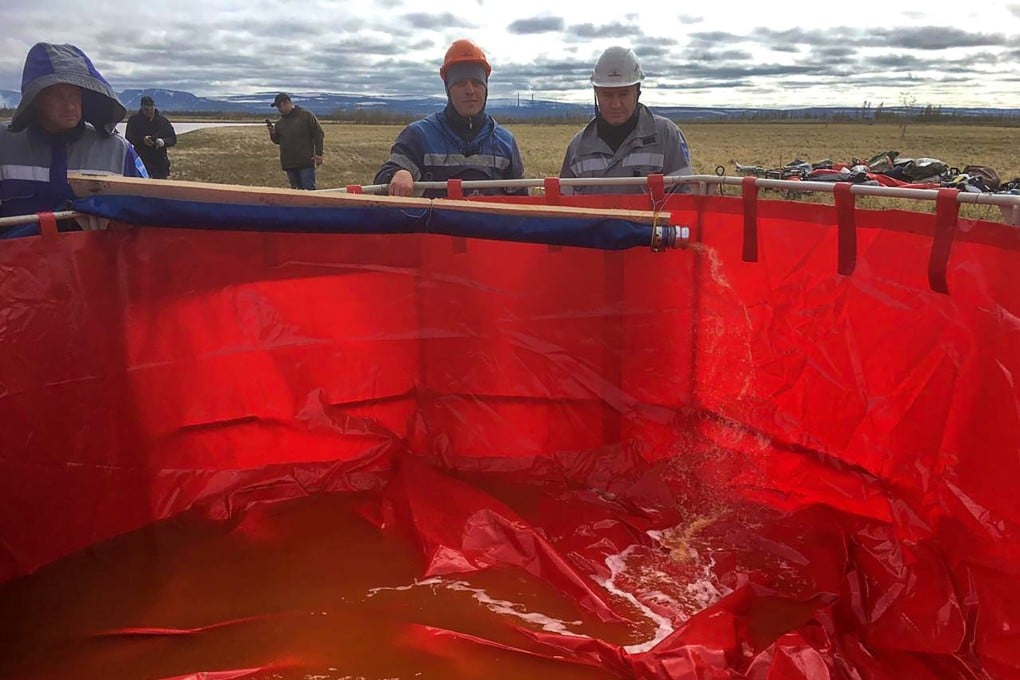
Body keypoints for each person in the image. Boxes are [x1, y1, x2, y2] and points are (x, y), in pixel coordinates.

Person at [0, 42, 148, 238]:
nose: (70, 106)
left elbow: (148, 209)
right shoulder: (5, 144)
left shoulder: (116, 150)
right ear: (36, 99)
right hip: (16, 266)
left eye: (75, 96)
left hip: (91, 266)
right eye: (59, 97)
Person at [374, 39, 525, 198]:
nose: (470, 90)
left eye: (477, 82)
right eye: (460, 83)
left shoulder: (505, 141)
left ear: (486, 87)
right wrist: (399, 173)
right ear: (448, 89)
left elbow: (522, 203)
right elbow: (382, 182)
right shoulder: (419, 136)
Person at [559, 46, 693, 195]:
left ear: (638, 92)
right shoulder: (578, 147)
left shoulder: (667, 137)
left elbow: (685, 201)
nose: (616, 104)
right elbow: (564, 210)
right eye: (607, 95)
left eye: (623, 94)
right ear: (596, 94)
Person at [267, 93, 324, 190]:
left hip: (305, 163)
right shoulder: (280, 123)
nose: (278, 109)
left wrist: (319, 154)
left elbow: (319, 134)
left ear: (287, 102)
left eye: (279, 106)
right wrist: (272, 133)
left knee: (308, 192)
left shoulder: (306, 116)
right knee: (295, 194)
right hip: (289, 164)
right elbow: (277, 141)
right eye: (277, 107)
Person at [125, 95, 177, 179]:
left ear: (154, 107)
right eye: (146, 109)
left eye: (150, 108)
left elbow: (173, 139)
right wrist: (142, 140)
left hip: (160, 164)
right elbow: (128, 137)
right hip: (141, 162)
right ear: (141, 108)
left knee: (160, 189)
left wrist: (162, 142)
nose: (148, 111)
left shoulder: (163, 121)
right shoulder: (133, 120)